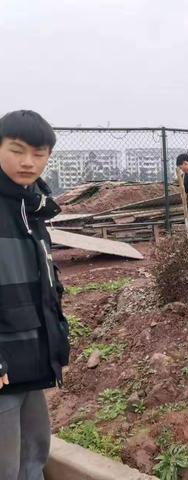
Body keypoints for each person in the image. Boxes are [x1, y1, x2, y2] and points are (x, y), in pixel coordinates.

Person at [0, 110, 70, 479]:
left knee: (34, 451)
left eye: (39, 153)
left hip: (29, 352)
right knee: (5, 463)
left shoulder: (30, 207)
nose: (29, 162)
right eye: (17, 150)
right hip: (4, 362)